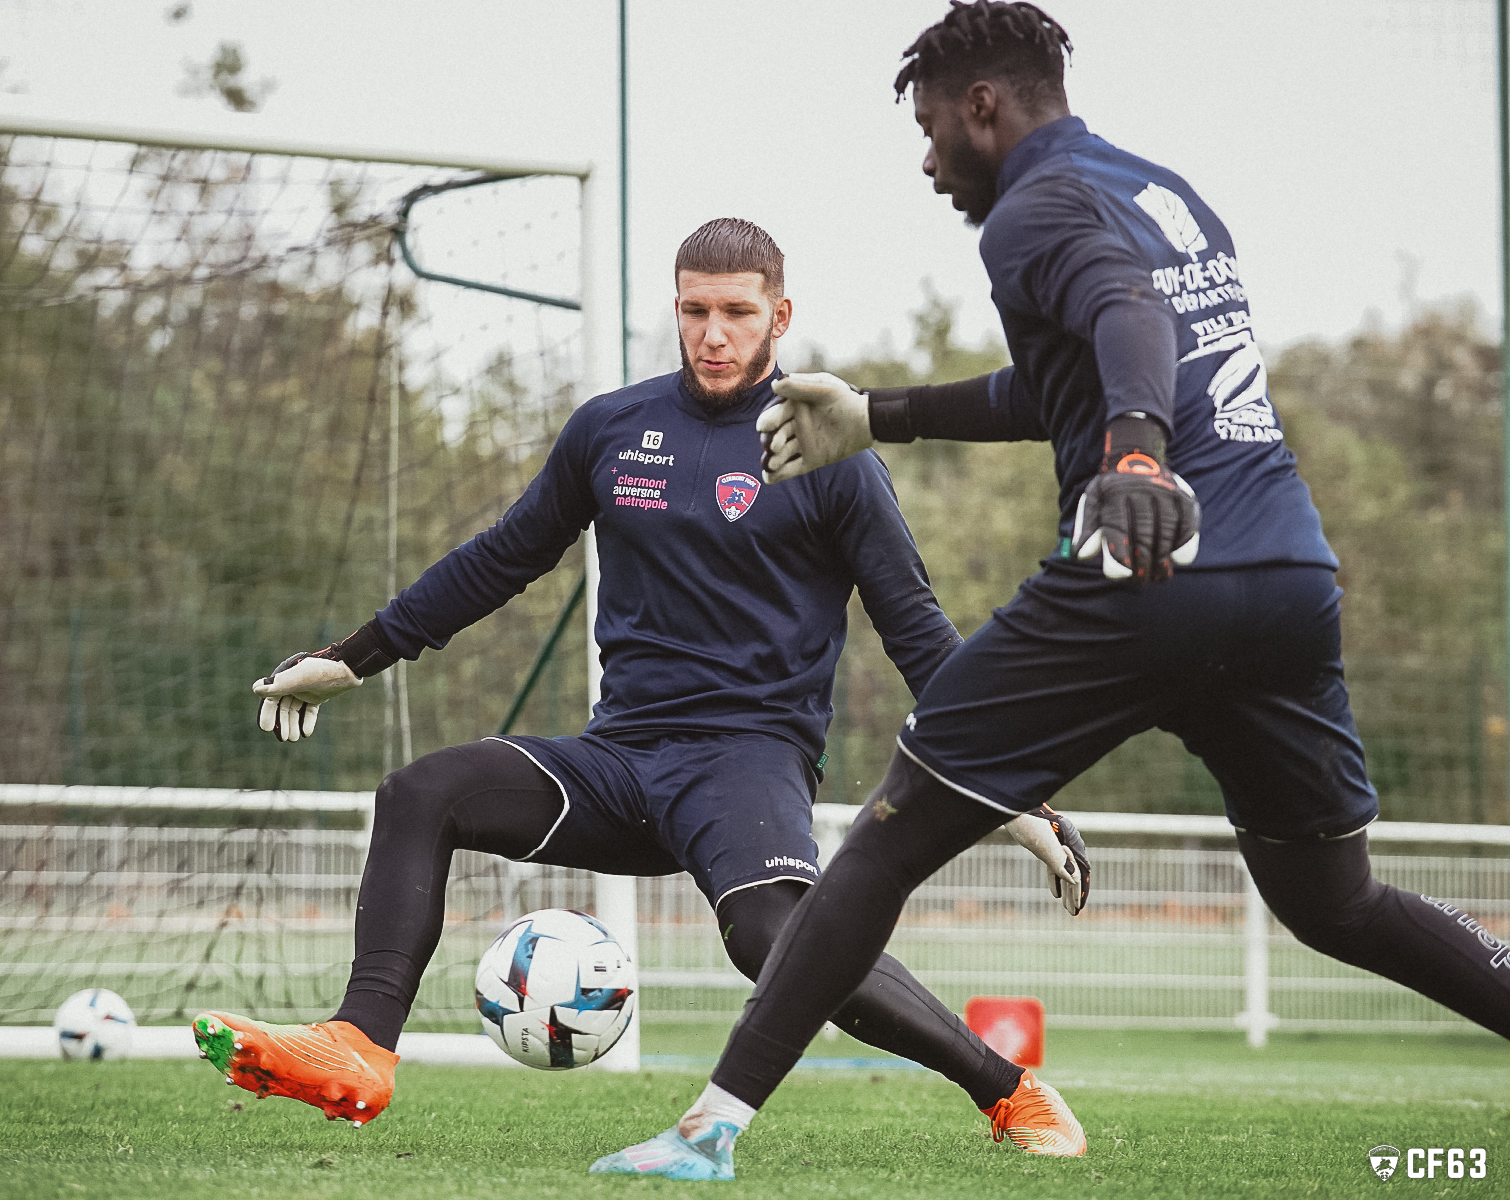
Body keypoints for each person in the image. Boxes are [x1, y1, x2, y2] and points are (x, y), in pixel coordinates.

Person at [594, 0, 1510, 1182]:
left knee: (883, 841)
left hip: (1142, 574)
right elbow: (1065, 377)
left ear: (984, 107)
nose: (928, 163)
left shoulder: (1032, 205)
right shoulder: (1160, 189)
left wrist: (1133, 457)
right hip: (1284, 575)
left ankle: (707, 1130)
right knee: (1331, 900)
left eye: (931, 130)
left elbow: (1124, 317)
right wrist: (880, 418)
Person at [190, 217, 1092, 1162]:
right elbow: (503, 558)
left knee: (771, 940)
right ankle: (360, 1046)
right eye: (695, 310)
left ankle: (1010, 1091)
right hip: (618, 759)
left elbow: (917, 631)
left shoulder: (834, 454)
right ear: (674, 308)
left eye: (737, 313)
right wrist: (356, 656)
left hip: (747, 764)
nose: (714, 333)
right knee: (420, 794)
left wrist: (1015, 796)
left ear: (780, 316)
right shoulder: (613, 430)